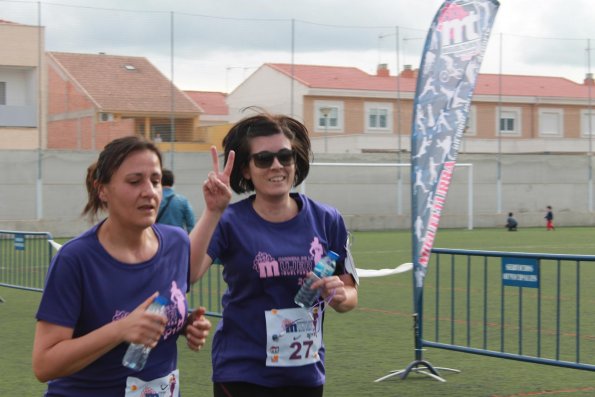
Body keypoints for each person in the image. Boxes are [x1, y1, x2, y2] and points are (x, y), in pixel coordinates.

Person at [32, 136, 230, 396]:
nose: (149, 191)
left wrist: (183, 322)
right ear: (102, 189)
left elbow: (173, 291)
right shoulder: (75, 259)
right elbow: (44, 364)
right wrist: (121, 329)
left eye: (156, 181)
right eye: (134, 181)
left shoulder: (176, 242)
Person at [189, 111, 359, 397]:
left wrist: (340, 297)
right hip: (243, 372)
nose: (276, 166)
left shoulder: (328, 219)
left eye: (285, 156)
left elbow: (350, 292)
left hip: (305, 372)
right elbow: (188, 274)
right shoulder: (228, 221)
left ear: (296, 161)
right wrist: (212, 212)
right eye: (264, 159)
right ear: (246, 169)